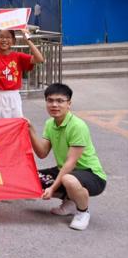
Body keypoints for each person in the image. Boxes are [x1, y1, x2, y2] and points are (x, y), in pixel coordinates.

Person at [27, 83, 107, 231]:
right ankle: (70, 202)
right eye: (50, 100)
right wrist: (30, 130)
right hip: (65, 171)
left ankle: (82, 212)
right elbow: (42, 153)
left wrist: (52, 188)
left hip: (92, 174)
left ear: (69, 104)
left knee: (68, 180)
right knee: (30, 178)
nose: (54, 105)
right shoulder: (50, 123)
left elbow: (71, 162)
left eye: (60, 101)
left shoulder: (77, 126)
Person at [0, 27, 45, 118]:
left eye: (8, 37)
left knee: (15, 124)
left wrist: (28, 39)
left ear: (14, 41)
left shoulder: (18, 56)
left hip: (13, 97)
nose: (4, 40)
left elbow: (39, 59)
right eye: (0, 37)